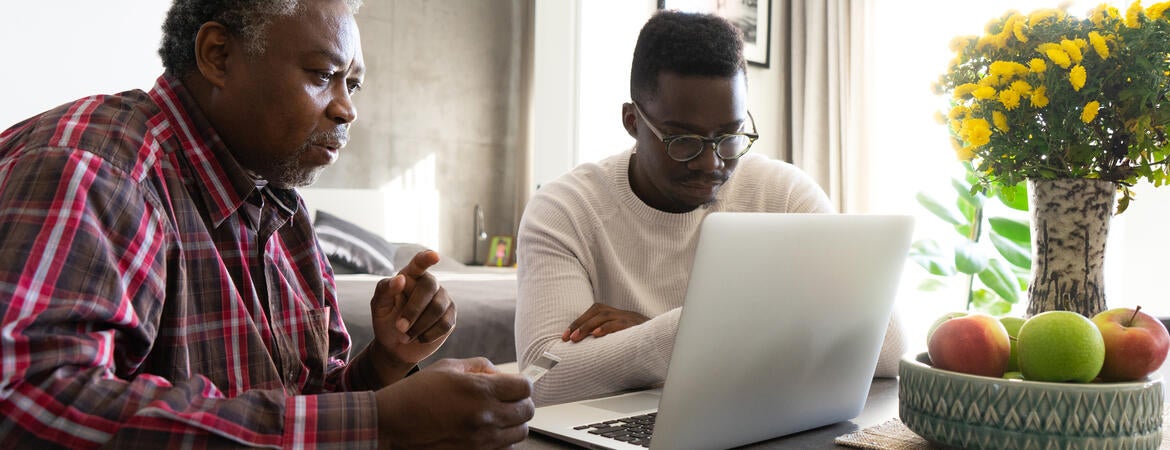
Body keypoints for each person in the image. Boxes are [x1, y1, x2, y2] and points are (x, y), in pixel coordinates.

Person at [0, 0, 532, 448]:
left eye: (353, 84)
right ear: (219, 55)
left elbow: (302, 409)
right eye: (323, 76)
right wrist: (384, 423)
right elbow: (26, 404)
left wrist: (384, 365)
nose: (347, 110)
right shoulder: (97, 169)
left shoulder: (282, 207)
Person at [514, 10, 906, 406]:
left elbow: (887, 346)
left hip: (754, 415)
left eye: (730, 136)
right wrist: (708, 336)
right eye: (683, 140)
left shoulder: (785, 195)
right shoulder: (565, 211)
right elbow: (542, 379)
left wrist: (667, 333)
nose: (711, 162)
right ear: (633, 121)